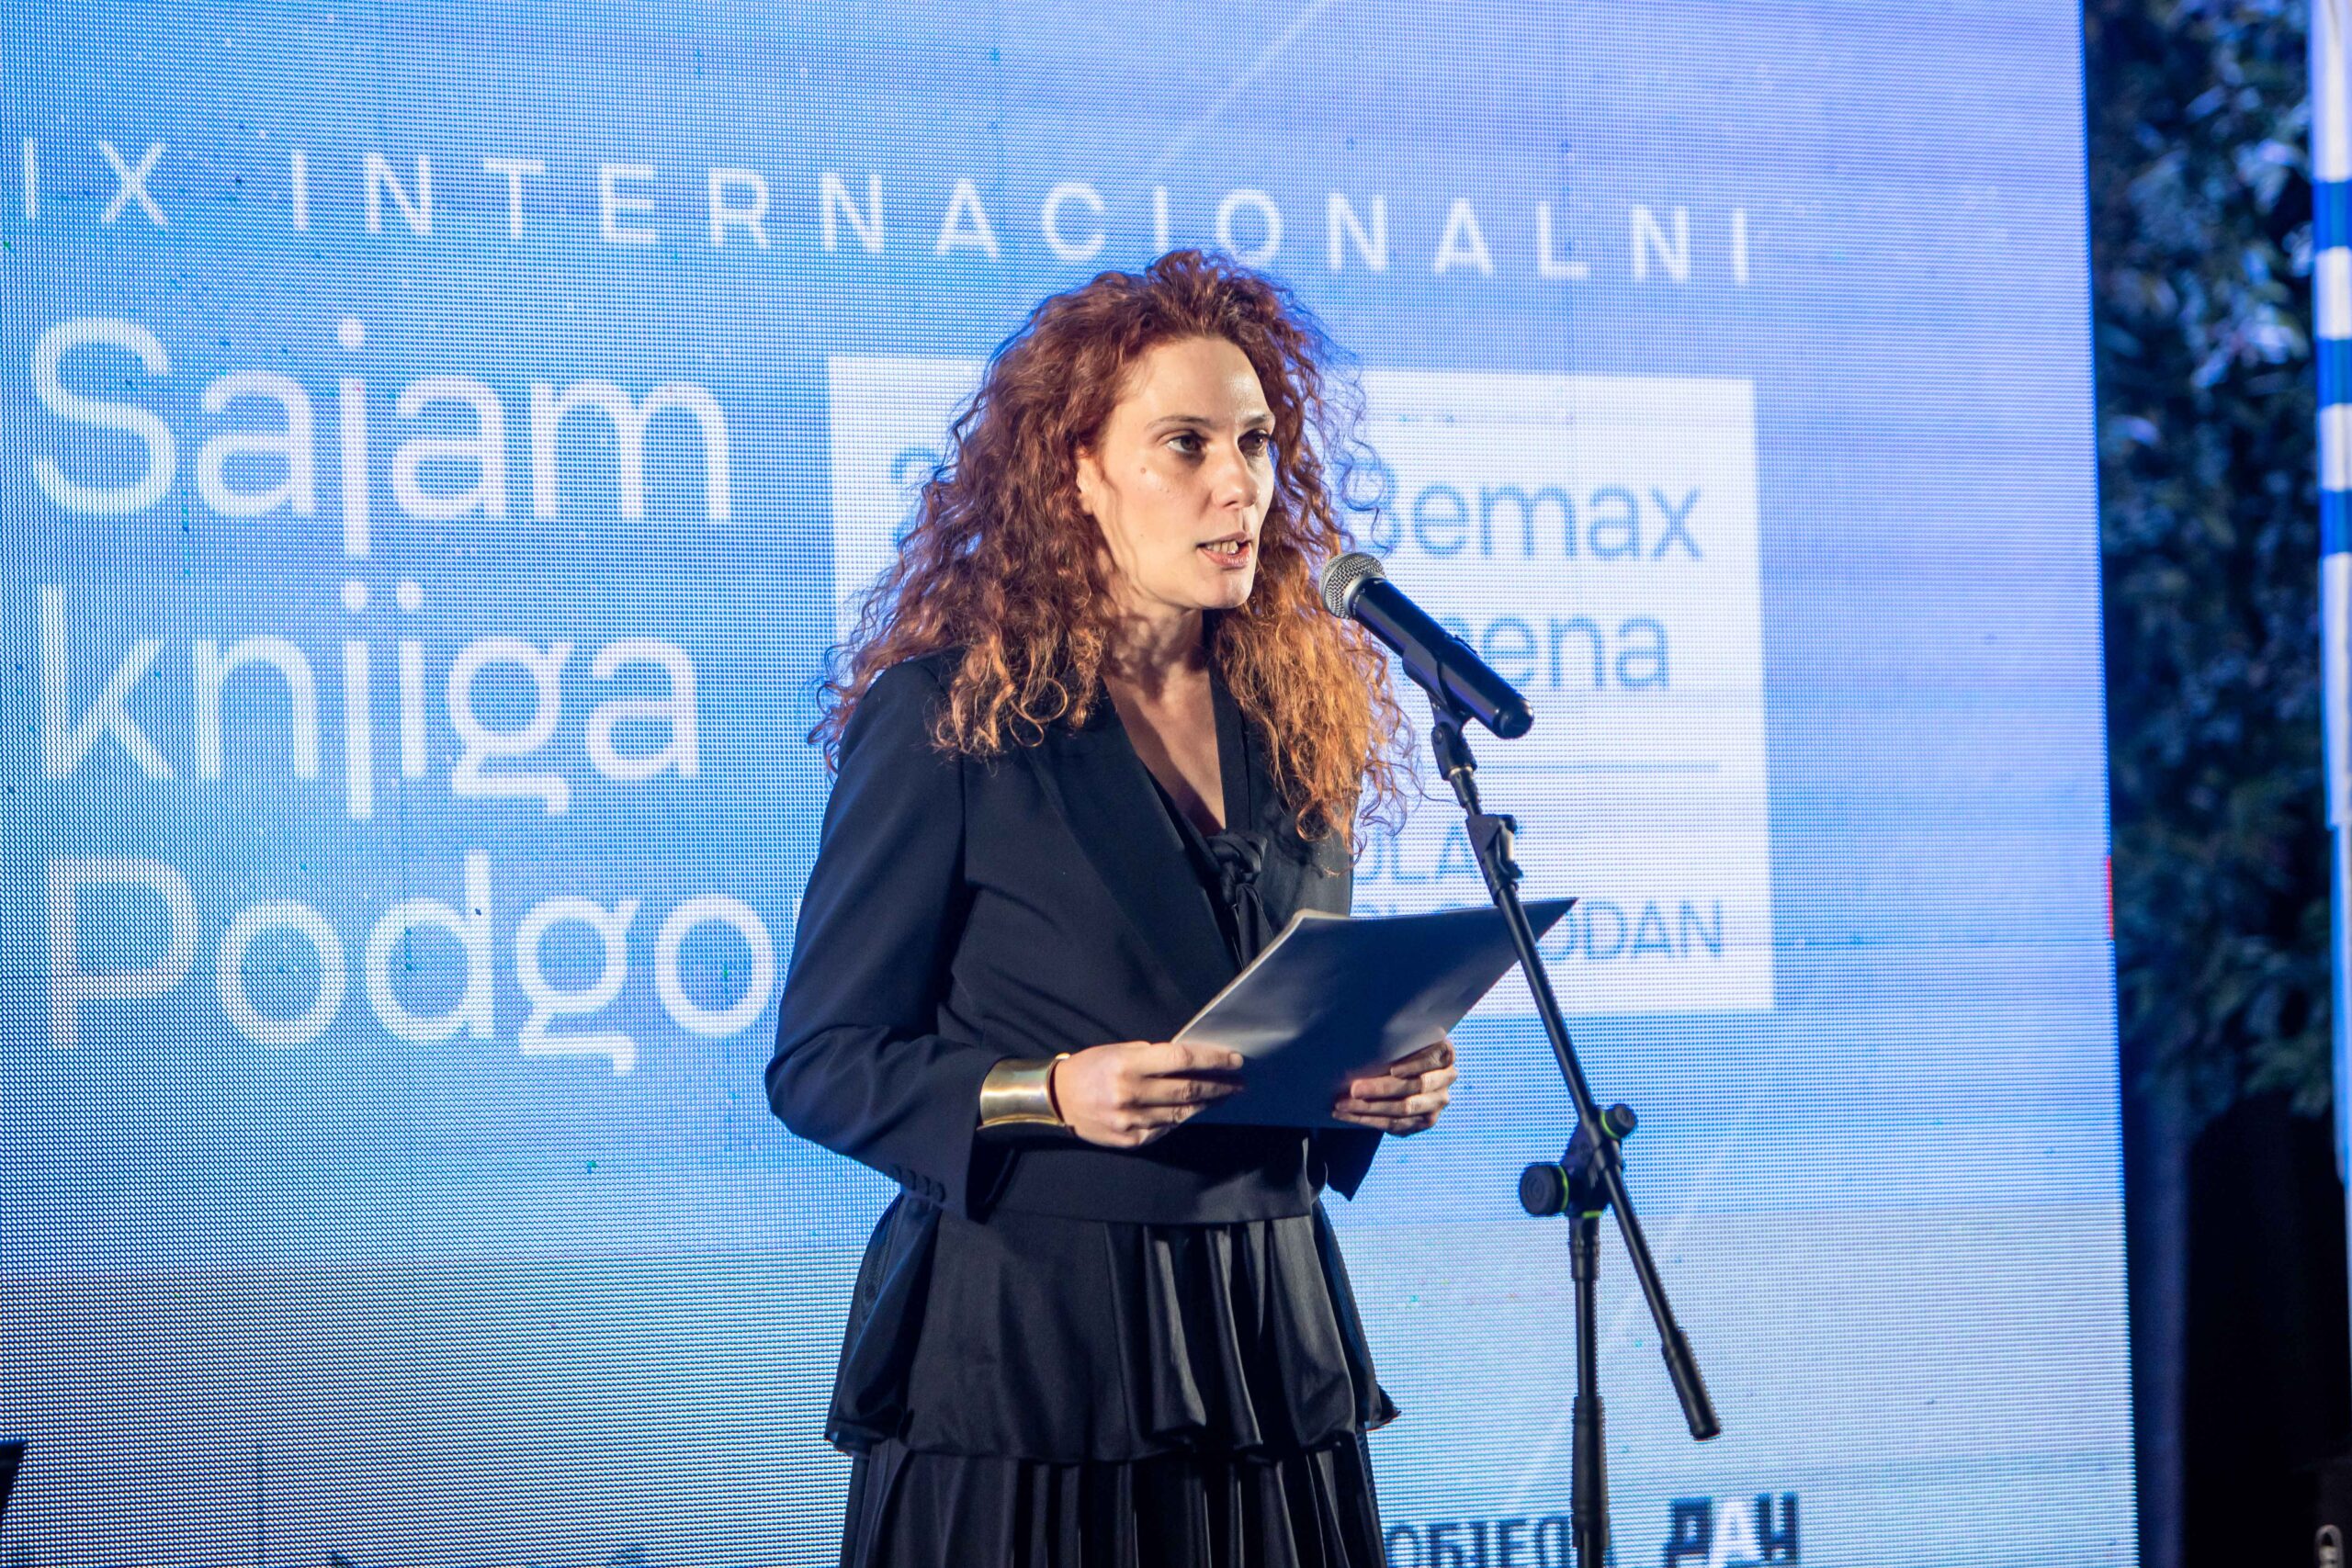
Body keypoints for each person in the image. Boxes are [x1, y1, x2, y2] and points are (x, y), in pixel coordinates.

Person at [767, 248, 1457, 1568]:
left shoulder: (1297, 717)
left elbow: (1278, 1024)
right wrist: (1045, 1091)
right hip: (1031, 1350)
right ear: (1075, 472)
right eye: (1184, 444)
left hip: (1268, 1332)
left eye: (1255, 442)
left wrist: (1376, 1081)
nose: (1236, 483)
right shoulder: (947, 718)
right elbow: (822, 1065)